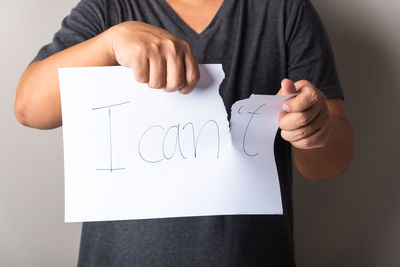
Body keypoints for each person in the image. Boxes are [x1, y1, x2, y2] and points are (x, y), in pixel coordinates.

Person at [14, 0, 355, 266]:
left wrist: (315, 128)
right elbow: (29, 108)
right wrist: (109, 44)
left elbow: (325, 165)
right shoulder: (110, 9)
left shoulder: (284, 11)